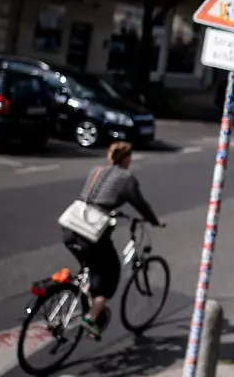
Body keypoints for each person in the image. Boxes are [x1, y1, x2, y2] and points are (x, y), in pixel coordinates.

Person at [63, 141, 166, 337]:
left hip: (70, 225)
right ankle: (91, 317)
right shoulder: (126, 178)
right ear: (127, 158)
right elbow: (140, 204)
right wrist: (154, 221)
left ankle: (86, 298)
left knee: (92, 268)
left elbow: (95, 199)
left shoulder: (96, 170)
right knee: (111, 273)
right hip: (91, 233)